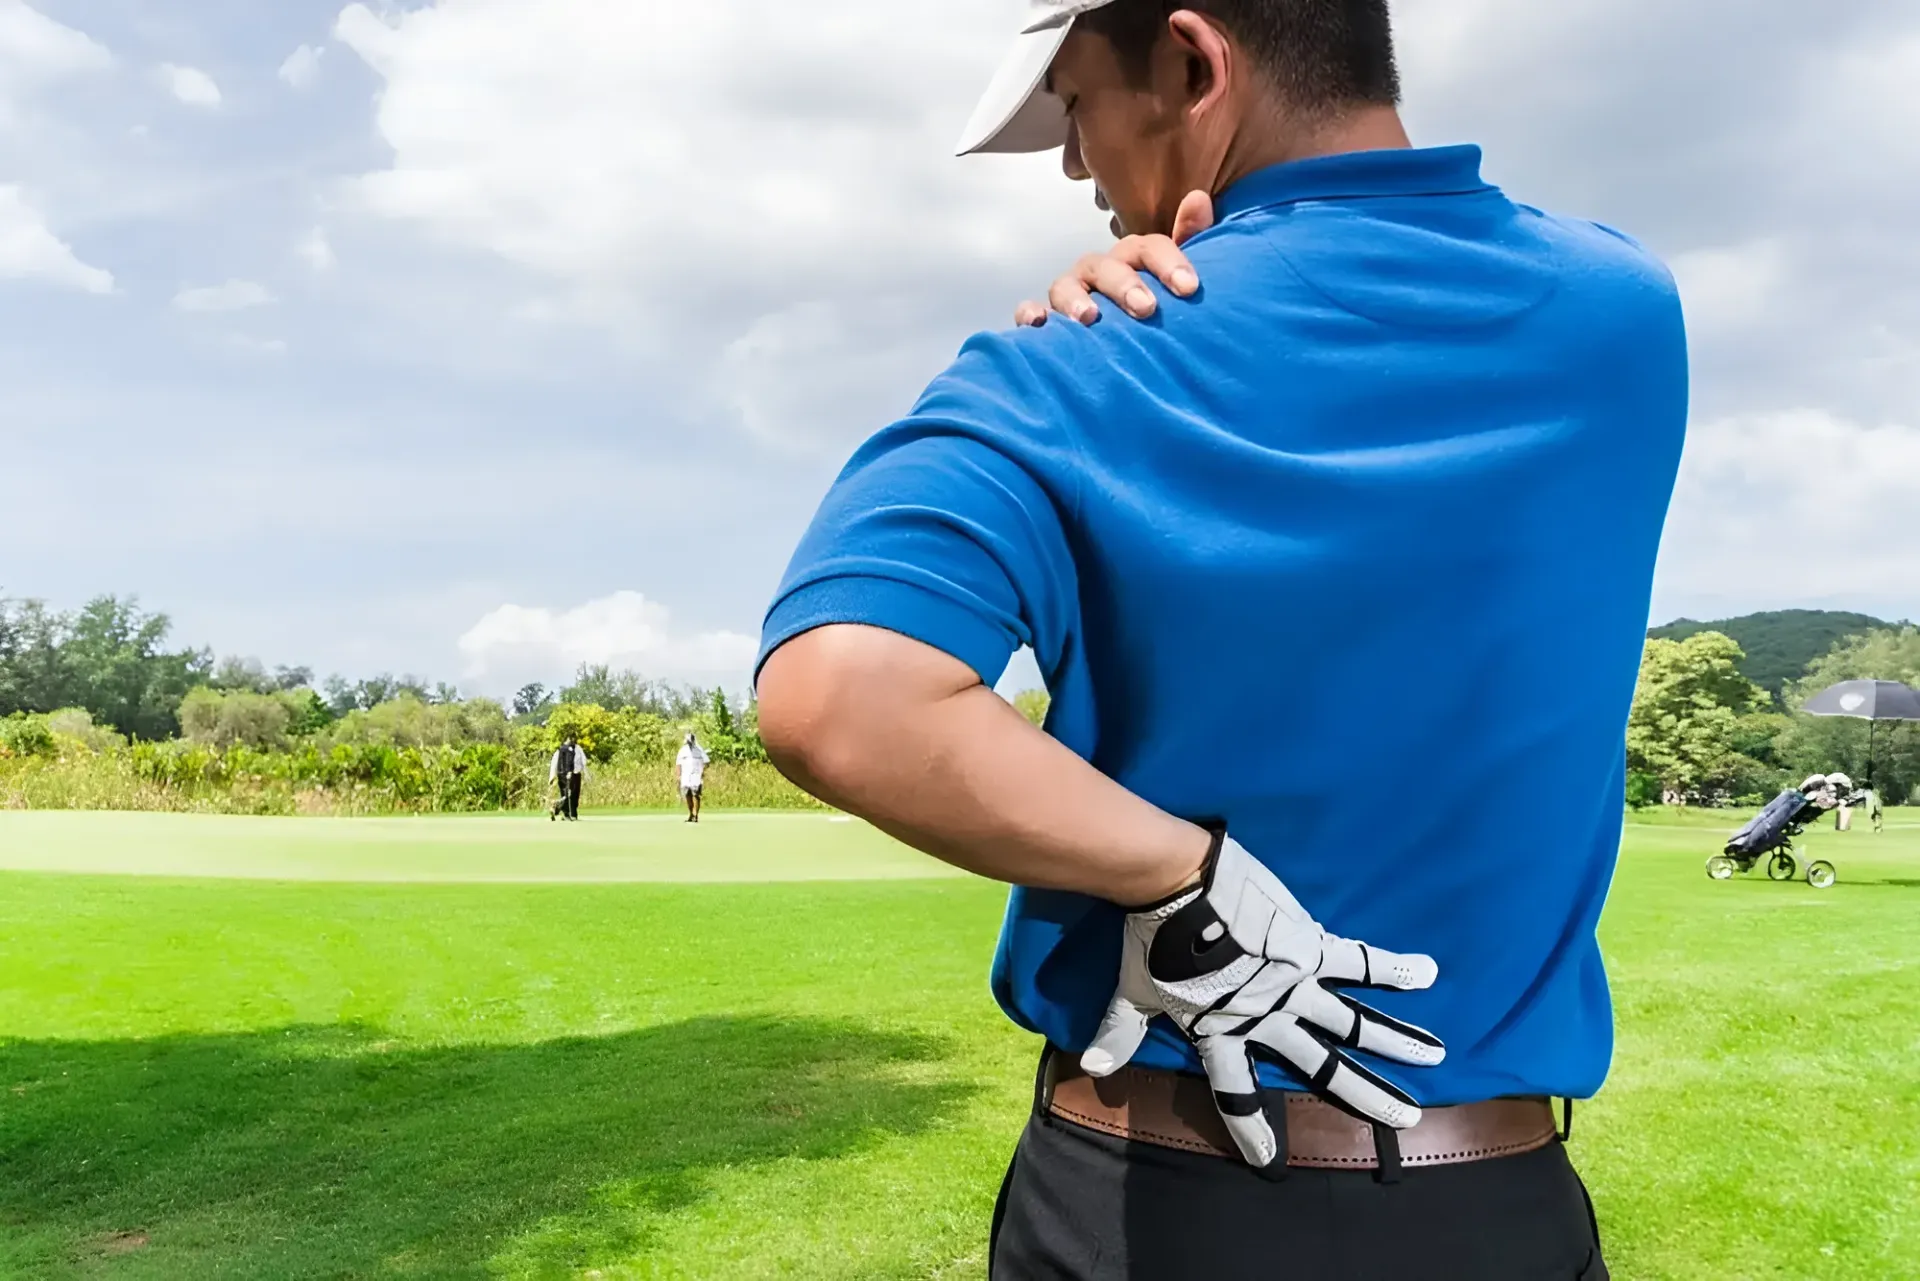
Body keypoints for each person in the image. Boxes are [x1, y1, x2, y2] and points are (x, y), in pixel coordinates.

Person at [756, 1, 1686, 1277]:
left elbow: (842, 693)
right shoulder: (1628, 315)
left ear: (1195, 63)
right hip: (1497, 1208)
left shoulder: (1074, 364)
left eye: (1076, 107)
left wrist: (1178, 877)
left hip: (1149, 1206)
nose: (1076, 166)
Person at [549, 736, 586, 822]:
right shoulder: (563, 749)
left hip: (573, 774)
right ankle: (565, 812)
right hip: (569, 775)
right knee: (569, 795)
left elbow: (583, 761)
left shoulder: (577, 748)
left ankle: (558, 810)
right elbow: (555, 763)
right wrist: (551, 777)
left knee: (570, 795)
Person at [676, 731, 709, 823]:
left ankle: (695, 815)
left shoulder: (699, 750)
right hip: (685, 777)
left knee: (696, 795)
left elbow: (706, 762)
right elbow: (678, 764)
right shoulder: (682, 750)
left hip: (696, 776)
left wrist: (702, 771)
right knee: (687, 795)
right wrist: (678, 775)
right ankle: (691, 814)